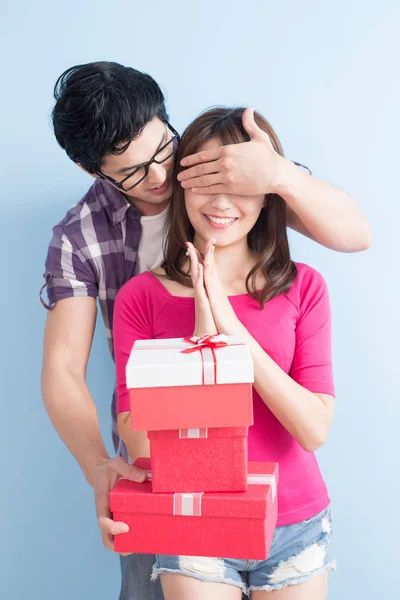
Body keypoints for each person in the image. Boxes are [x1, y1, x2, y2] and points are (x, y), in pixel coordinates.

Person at [40, 61, 371, 600]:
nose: (160, 178)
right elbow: (62, 369)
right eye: (132, 171)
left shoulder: (228, 175)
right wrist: (99, 465)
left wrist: (278, 175)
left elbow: (357, 233)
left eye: (162, 151)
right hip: (161, 469)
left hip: (289, 504)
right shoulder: (86, 240)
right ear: (91, 170)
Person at [114, 107, 338, 599]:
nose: (220, 201)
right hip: (194, 520)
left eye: (238, 184)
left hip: (295, 522)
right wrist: (203, 326)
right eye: (204, 180)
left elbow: (313, 428)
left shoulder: (305, 289)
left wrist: (233, 330)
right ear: (180, 185)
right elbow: (144, 442)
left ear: (266, 196)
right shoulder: (141, 298)